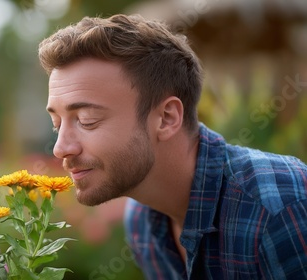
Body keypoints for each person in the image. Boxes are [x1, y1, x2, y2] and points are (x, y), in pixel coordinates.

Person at [38, 14, 307, 279]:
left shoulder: (277, 208)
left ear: (167, 118)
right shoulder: (142, 221)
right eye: (56, 124)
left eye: (87, 120)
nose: (60, 148)